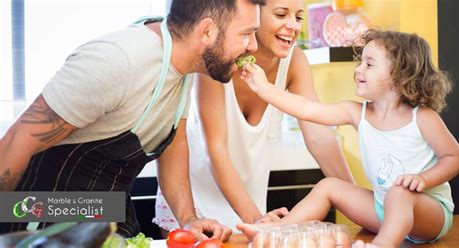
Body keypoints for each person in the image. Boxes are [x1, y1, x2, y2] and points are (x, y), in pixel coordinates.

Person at [0, 0, 266, 240]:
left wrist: (188, 219)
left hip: (108, 216)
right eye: (246, 34)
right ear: (206, 31)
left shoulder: (184, 67)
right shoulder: (117, 59)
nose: (254, 45)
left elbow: (174, 143)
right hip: (43, 219)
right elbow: (16, 141)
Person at [238, 29, 459, 247]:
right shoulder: (358, 113)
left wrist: (424, 179)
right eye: (360, 62)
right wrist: (265, 89)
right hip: (383, 209)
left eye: (369, 64)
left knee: (400, 191)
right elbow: (307, 109)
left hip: (430, 215)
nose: (358, 70)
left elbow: (454, 158)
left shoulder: (423, 118)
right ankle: (276, 230)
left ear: (398, 74)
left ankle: (383, 244)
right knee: (328, 186)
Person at [154, 0, 355, 233]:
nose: (292, 25)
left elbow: (320, 137)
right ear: (253, 16)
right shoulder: (218, 61)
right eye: (281, 14)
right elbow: (215, 149)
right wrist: (256, 219)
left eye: (298, 17)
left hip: (251, 207)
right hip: (193, 210)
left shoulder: (294, 62)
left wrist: (360, 203)